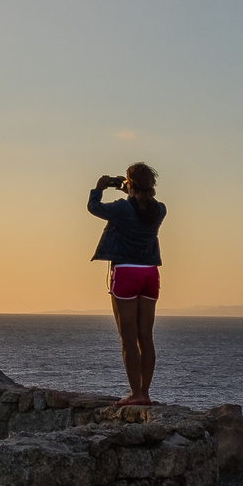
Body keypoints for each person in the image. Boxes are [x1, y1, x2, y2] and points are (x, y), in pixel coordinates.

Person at [88, 162, 167, 405]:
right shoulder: (160, 210)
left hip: (125, 272)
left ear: (130, 184)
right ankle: (146, 392)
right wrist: (130, 191)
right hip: (150, 274)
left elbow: (93, 207)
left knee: (128, 336)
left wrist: (99, 187)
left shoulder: (122, 209)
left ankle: (135, 394)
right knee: (146, 335)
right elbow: (142, 205)